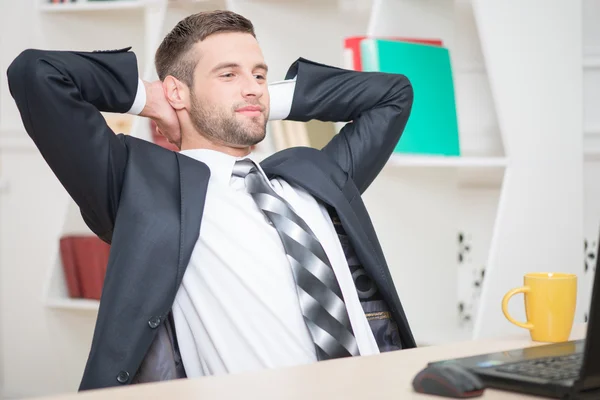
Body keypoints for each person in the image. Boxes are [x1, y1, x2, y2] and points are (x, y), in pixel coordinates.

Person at [6, 9, 415, 392]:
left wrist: (255, 99)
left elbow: (393, 95)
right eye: (228, 74)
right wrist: (151, 98)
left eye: (258, 74)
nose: (252, 86)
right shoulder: (142, 190)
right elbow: (36, 73)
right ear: (177, 92)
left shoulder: (313, 177)